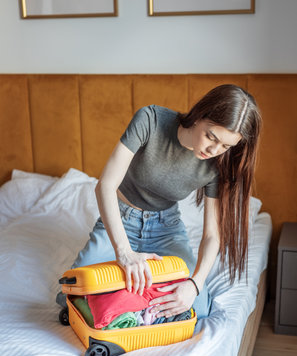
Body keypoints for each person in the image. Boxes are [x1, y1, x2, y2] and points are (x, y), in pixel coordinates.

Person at [56, 84, 261, 321]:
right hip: (123, 218)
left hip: (166, 228)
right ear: (199, 116)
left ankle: (133, 305)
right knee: (69, 294)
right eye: (211, 136)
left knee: (200, 307)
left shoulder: (219, 163)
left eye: (226, 146)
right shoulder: (150, 120)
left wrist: (194, 284)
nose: (214, 150)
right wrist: (124, 253)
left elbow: (212, 235)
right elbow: (105, 186)